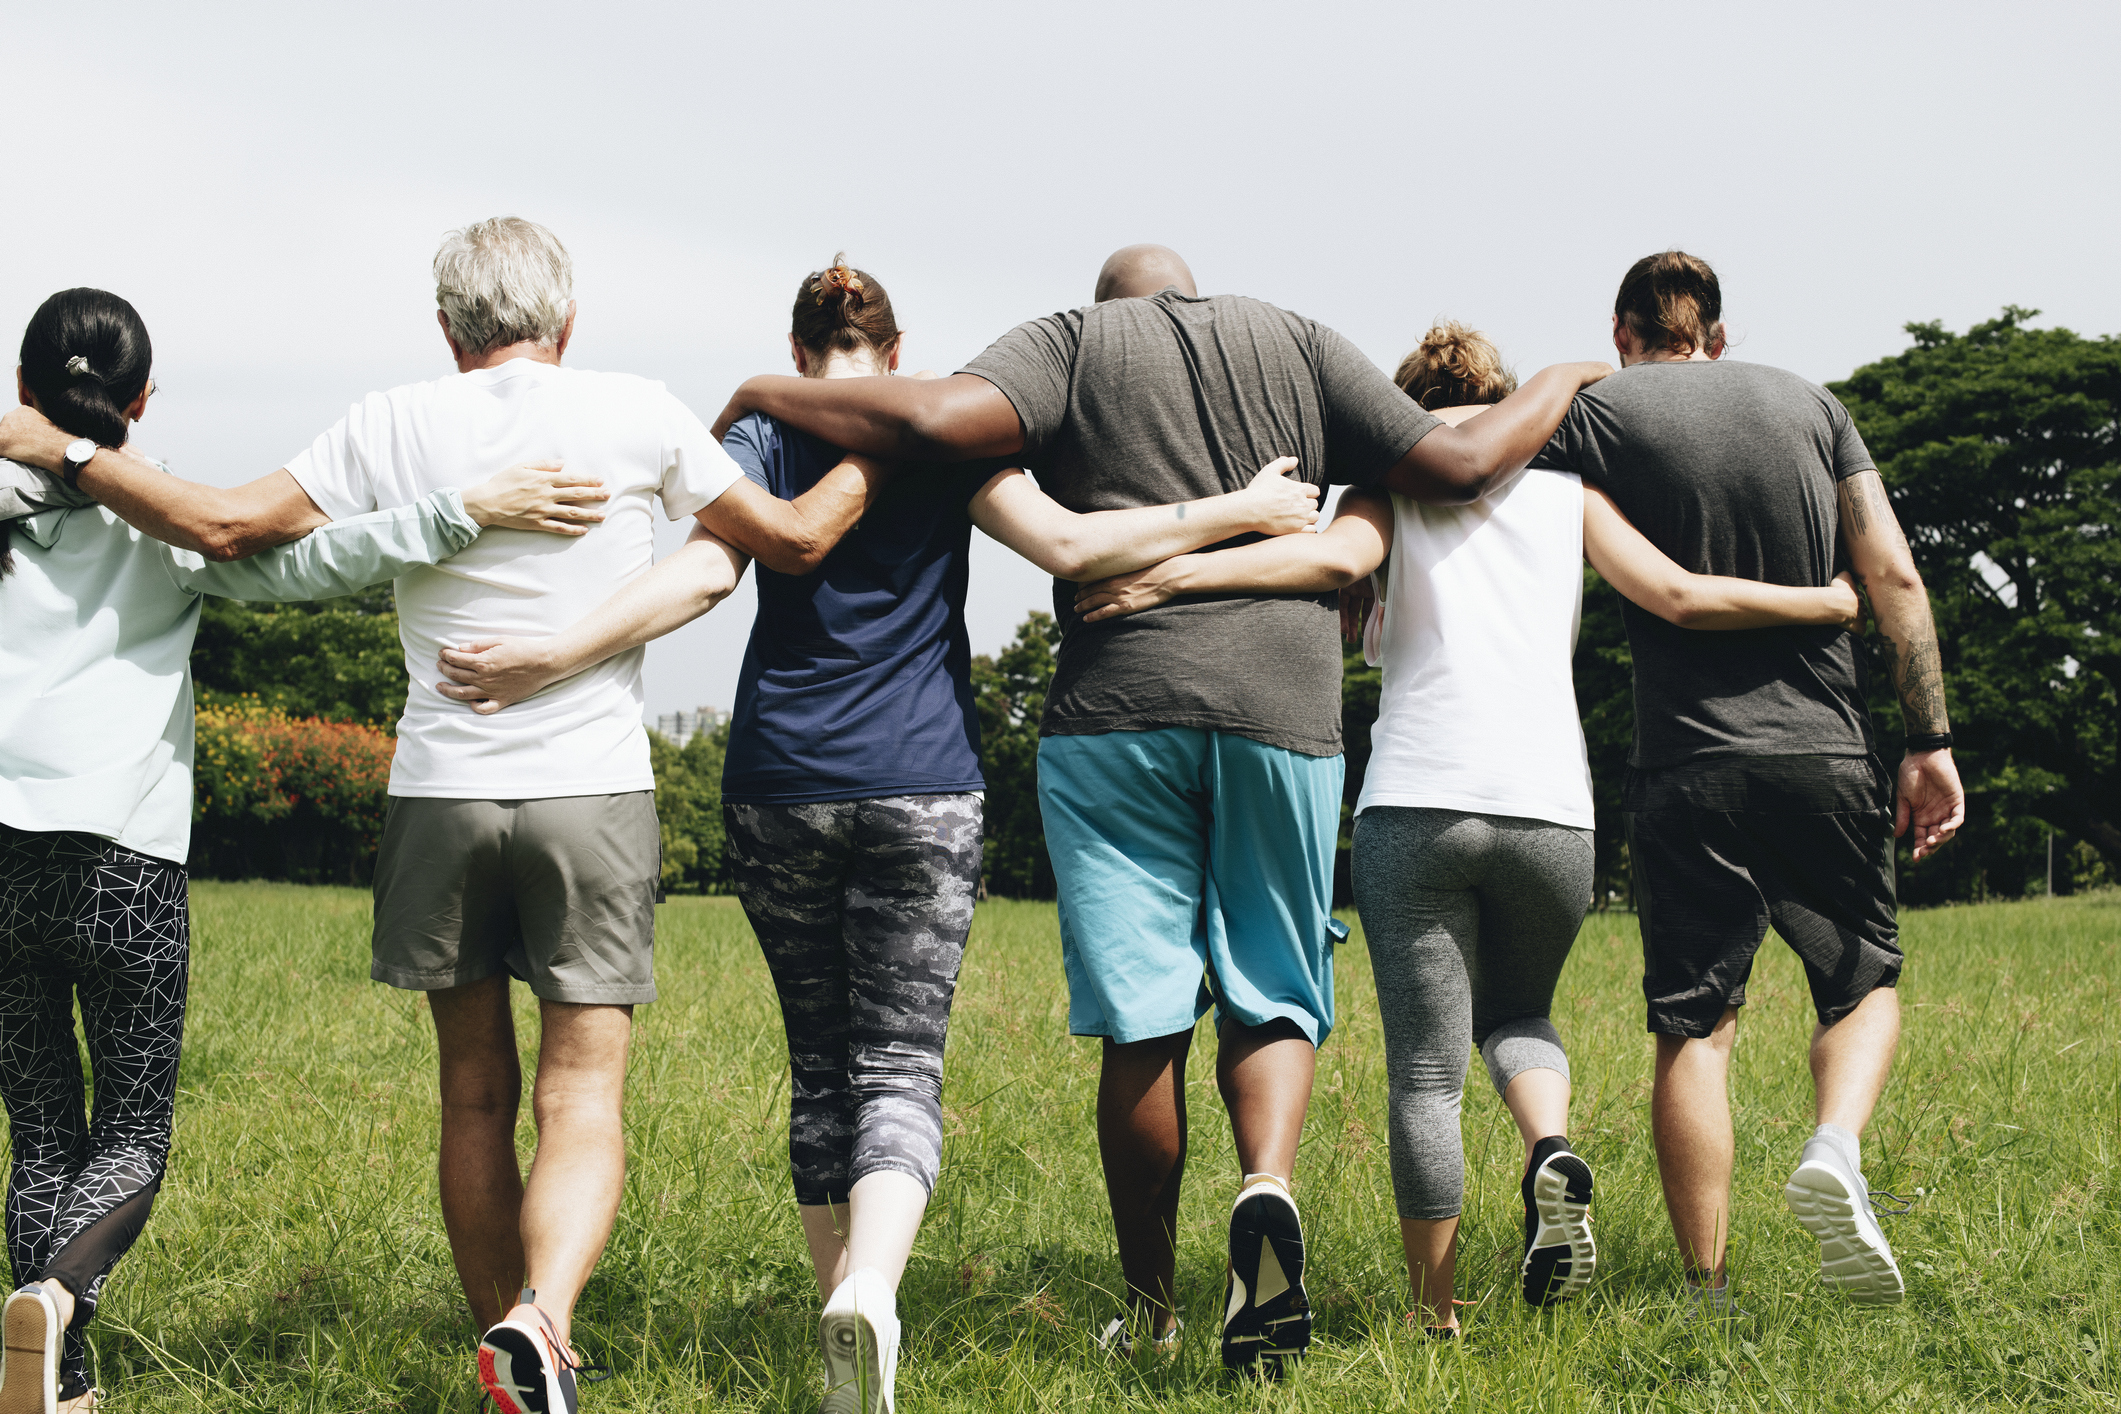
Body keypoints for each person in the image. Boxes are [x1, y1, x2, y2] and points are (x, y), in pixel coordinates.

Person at [0, 219, 900, 1414]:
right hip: (590, 793)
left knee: (472, 1091)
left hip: (438, 792)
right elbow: (792, 540)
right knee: (581, 1095)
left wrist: (59, 451)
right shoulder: (636, 407)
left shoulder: (391, 419)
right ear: (566, 323)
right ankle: (544, 1321)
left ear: (447, 328)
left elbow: (234, 521)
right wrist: (888, 438)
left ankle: (504, 1356)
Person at [431, 255, 1326, 1413]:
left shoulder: (765, 438)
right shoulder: (941, 437)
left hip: (779, 782)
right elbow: (1068, 546)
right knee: (900, 1057)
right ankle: (875, 1294)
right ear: (894, 357)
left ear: (801, 357)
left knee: (821, 1063)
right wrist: (1240, 513)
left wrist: (561, 651)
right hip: (925, 783)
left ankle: (834, 1316)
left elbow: (705, 571)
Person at [706, 244, 1613, 1377]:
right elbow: (1464, 455)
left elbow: (932, 420)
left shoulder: (1068, 346)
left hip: (1113, 710)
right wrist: (1571, 372)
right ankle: (1266, 1187)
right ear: (1193, 293)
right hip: (1284, 709)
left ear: (1114, 306)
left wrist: (758, 392)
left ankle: (1152, 1310)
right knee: (1273, 985)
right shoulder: (1299, 337)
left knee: (1141, 1019)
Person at [1073, 319, 1863, 1335]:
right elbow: (1677, 593)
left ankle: (1434, 1314)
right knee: (1520, 1016)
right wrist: (1824, 601)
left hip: (1418, 801)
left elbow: (1322, 566)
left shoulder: (1392, 480)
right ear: (1505, 396)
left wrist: (1170, 577)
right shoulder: (1569, 487)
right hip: (1552, 810)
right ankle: (1547, 1147)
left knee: (1425, 1076)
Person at [0, 288, 592, 1414]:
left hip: (0, 863)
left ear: (23, 388)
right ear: (142, 399)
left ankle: (59, 1382)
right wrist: (459, 509)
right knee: (129, 1130)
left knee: (40, 1125)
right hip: (123, 862)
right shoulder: (164, 523)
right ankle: (60, 1299)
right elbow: (323, 557)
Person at [1532, 251, 1965, 1311]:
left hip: (1688, 764)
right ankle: (1833, 1146)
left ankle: (1706, 1287)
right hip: (1824, 752)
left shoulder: (1601, 417)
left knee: (1696, 1028)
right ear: (1718, 335)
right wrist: (1930, 740)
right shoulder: (1814, 405)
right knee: (1862, 985)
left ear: (1624, 333)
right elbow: (1893, 576)